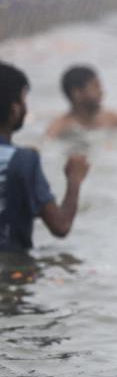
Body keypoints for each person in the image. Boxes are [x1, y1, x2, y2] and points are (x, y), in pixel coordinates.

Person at [0, 62, 90, 252]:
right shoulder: (23, 160)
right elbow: (60, 226)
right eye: (24, 100)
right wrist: (74, 180)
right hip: (11, 269)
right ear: (15, 110)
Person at [47, 65, 117, 139]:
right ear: (77, 93)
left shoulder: (113, 119)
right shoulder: (60, 127)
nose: (101, 92)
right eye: (95, 87)